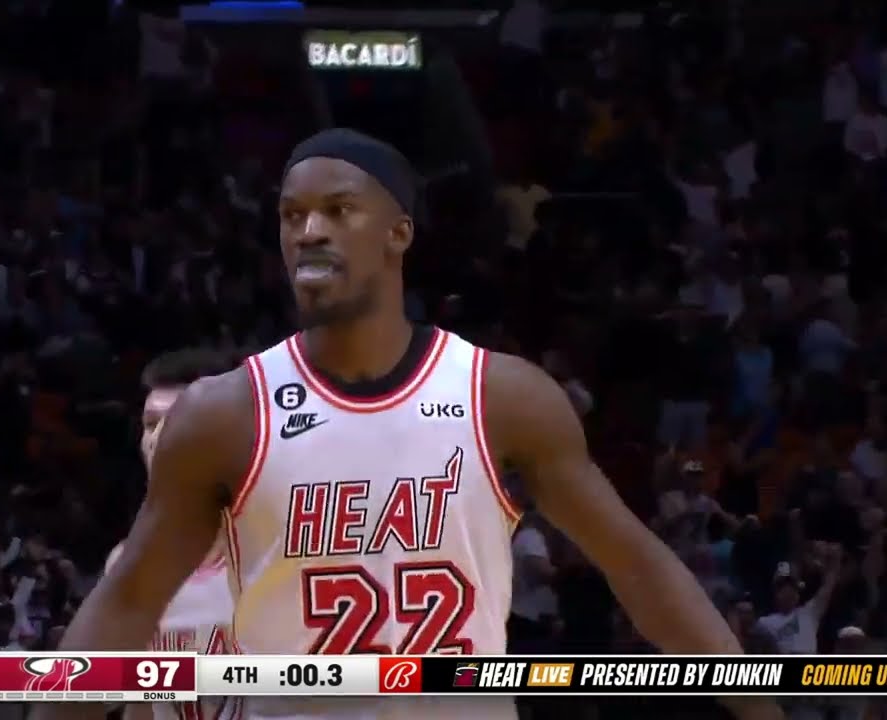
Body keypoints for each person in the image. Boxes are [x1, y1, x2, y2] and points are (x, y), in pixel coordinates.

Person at [44, 128, 780, 720]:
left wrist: (759, 706)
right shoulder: (224, 413)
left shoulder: (501, 396)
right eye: (292, 216)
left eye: (339, 210)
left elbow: (636, 564)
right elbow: (129, 600)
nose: (310, 231)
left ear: (399, 232)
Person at [108, 351, 238, 720]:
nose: (157, 440)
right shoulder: (128, 562)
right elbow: (140, 703)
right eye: (151, 424)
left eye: (176, 423)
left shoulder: (279, 551)